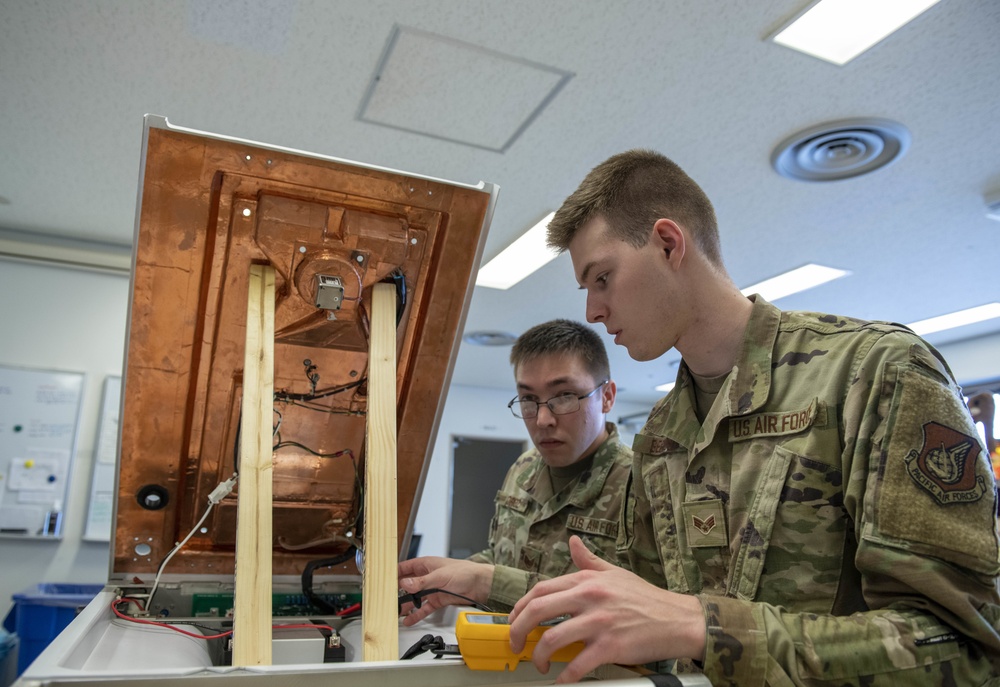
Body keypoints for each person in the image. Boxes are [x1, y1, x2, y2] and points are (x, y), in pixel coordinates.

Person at [503, 150, 1000, 685]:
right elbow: (637, 624)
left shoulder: (876, 373)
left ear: (669, 244)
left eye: (602, 278)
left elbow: (964, 650)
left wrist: (705, 626)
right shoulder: (661, 435)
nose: (592, 312)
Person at [398, 319, 633, 624]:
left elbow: (640, 610)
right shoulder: (523, 470)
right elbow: (503, 558)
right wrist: (452, 575)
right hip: (506, 666)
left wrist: (484, 581)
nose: (543, 419)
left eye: (564, 396)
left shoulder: (640, 484)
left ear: (607, 397)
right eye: (528, 400)